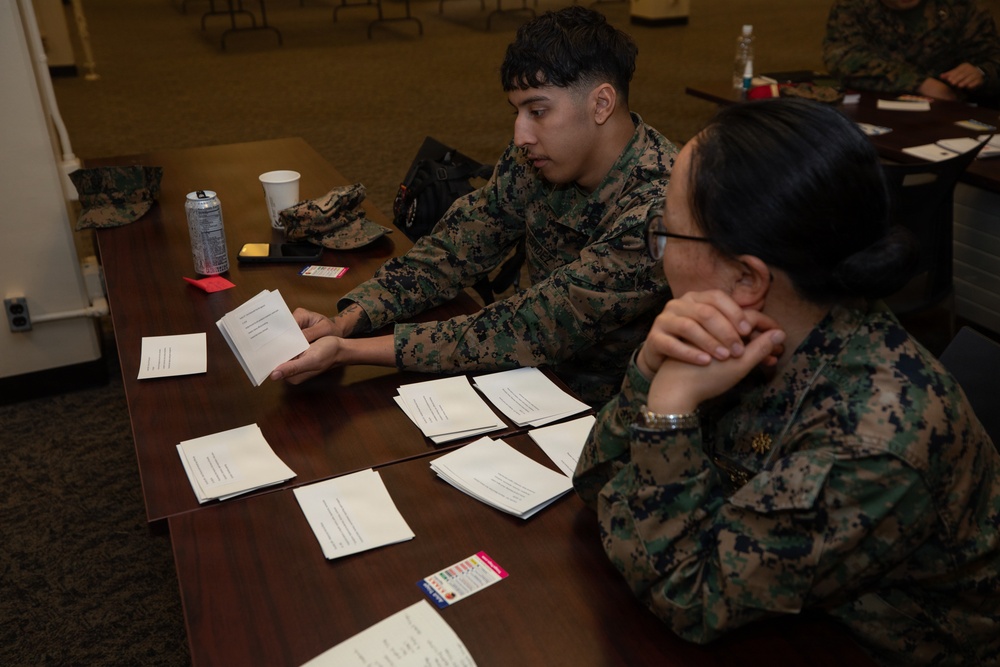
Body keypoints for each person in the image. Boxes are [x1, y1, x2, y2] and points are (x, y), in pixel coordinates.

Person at [572, 97, 1000, 666]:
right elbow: (598, 485)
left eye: (670, 236)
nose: (661, 255)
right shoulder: (760, 331)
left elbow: (691, 595)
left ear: (747, 277)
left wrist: (669, 409)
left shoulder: (874, 439)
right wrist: (649, 371)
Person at [269, 6, 676, 405]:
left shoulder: (661, 206)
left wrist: (350, 351)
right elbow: (455, 247)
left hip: (619, 414)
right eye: (517, 112)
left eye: (537, 111)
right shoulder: (537, 160)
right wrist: (348, 320)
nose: (520, 135)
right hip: (533, 382)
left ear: (601, 104)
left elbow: (537, 325)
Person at [822, 0, 1000, 106]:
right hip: (881, 109)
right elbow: (843, 58)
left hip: (954, 111)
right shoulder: (853, 5)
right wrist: (920, 84)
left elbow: (993, 57)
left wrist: (981, 72)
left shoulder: (959, 5)